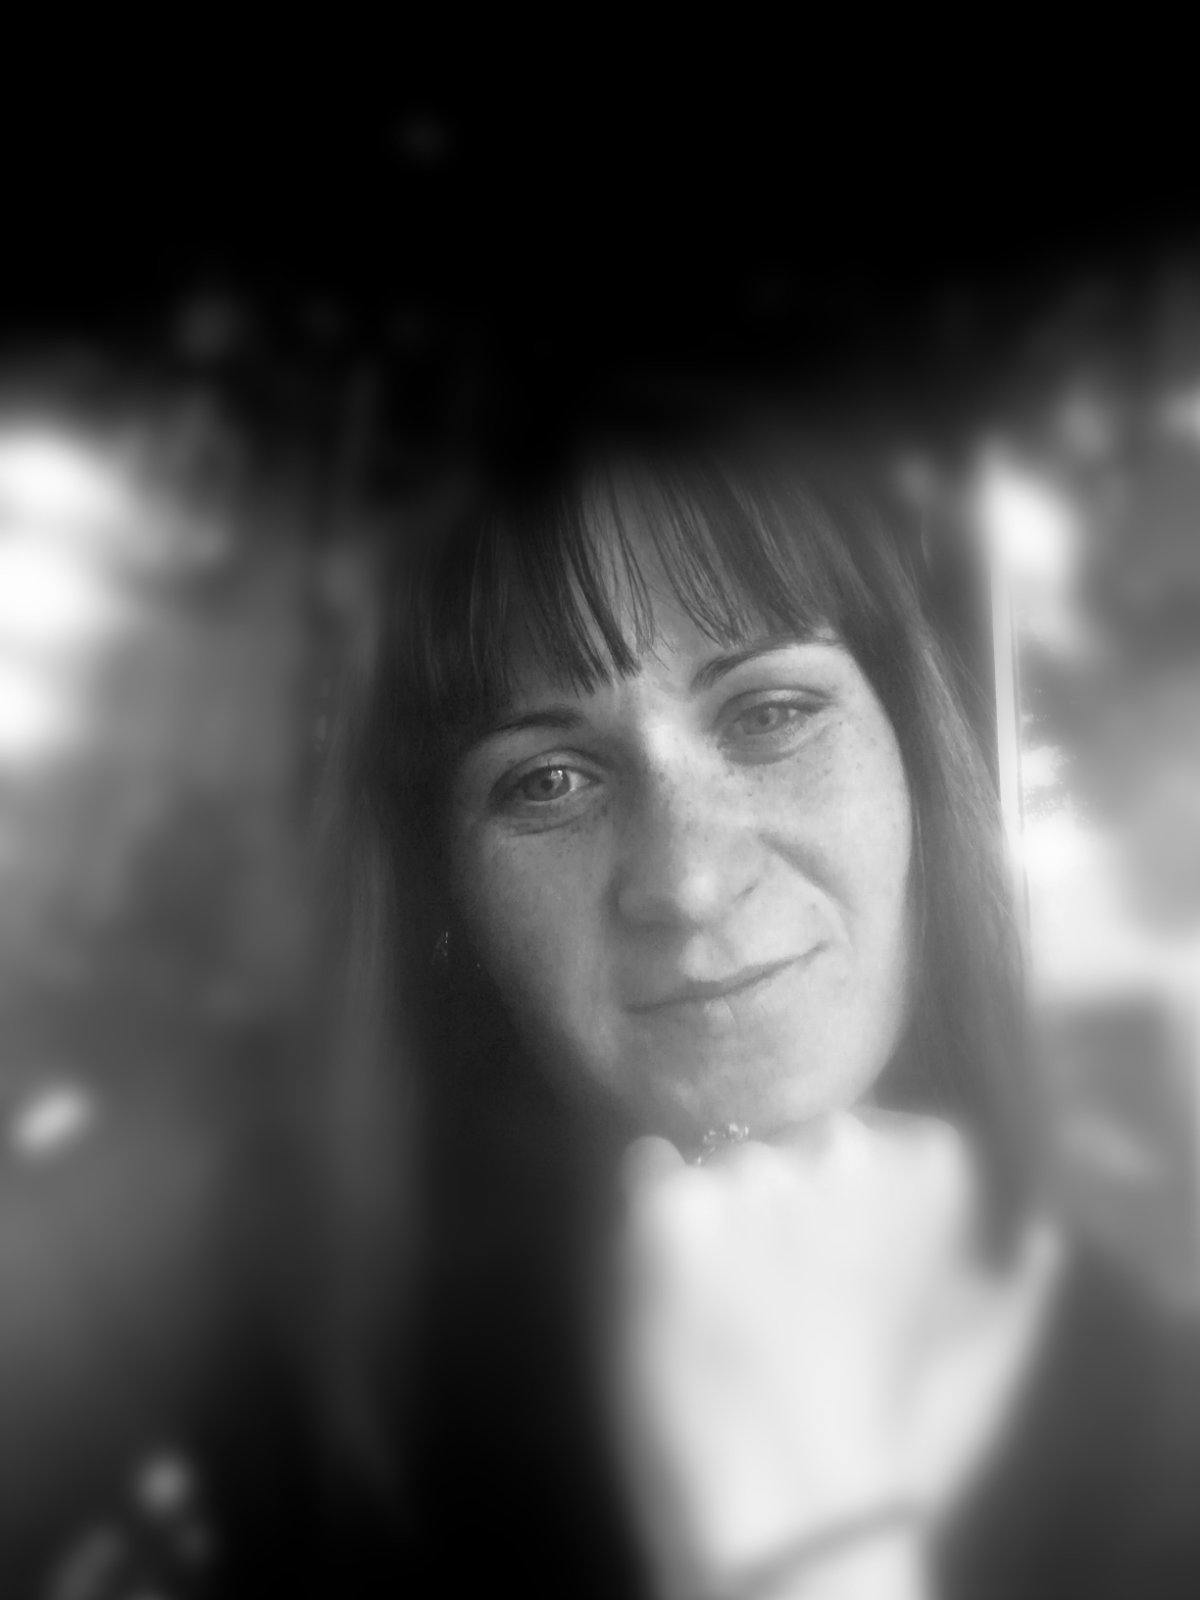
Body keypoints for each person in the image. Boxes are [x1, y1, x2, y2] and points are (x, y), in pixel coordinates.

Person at [299, 385, 1200, 1600]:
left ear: (910, 762)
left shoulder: (1168, 1410)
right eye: (549, 780)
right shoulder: (347, 1452)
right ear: (450, 906)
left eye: (772, 713)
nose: (689, 877)